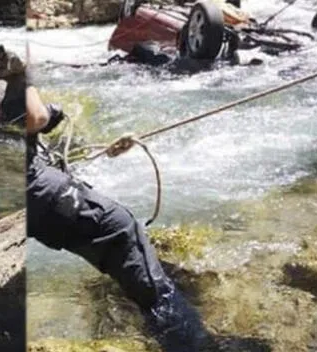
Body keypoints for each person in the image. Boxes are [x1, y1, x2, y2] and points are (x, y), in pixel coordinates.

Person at [25, 83, 212, 351]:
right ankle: (193, 343)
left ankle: (155, 315)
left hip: (31, 195)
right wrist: (48, 112)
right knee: (122, 231)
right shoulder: (16, 72)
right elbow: (35, 118)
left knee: (108, 242)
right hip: (38, 190)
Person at [0, 44, 27, 122]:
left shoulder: (12, 58)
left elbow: (9, 71)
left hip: (19, 77)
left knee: (11, 100)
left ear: (2, 53)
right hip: (10, 77)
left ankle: (16, 117)